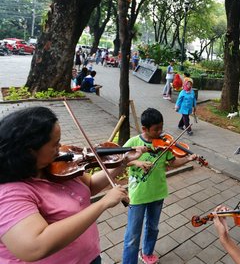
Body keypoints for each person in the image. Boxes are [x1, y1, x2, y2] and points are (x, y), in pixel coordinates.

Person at [0, 106, 147, 263]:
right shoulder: (10, 192)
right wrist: (102, 204)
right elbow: (35, 246)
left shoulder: (54, 166)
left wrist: (123, 163)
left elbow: (89, 185)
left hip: (89, 256)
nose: (61, 148)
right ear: (30, 151)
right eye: (55, 144)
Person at [122, 108, 198, 264]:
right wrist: (138, 161)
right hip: (137, 196)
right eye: (155, 129)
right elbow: (121, 160)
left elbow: (173, 162)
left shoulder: (165, 144)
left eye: (161, 128)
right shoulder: (134, 142)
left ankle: (147, 253)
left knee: (153, 227)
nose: (160, 132)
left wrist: (189, 159)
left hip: (157, 193)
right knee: (133, 235)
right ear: (144, 129)